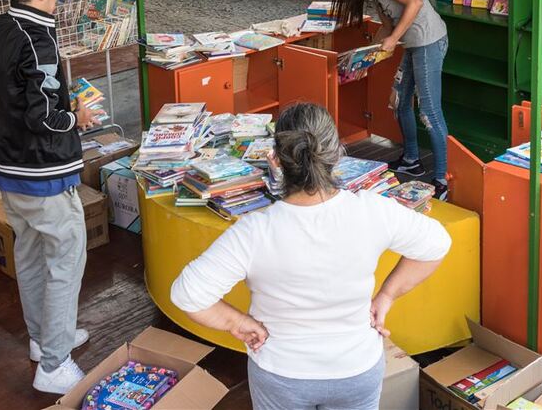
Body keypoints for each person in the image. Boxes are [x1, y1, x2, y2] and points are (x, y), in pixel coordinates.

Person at [170, 102, 451, 410]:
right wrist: (386, 297)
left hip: (281, 373)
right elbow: (436, 244)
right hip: (356, 369)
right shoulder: (372, 210)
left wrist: (237, 323)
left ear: (275, 161)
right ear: (337, 154)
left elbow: (188, 294)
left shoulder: (254, 232)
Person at [0, 0, 98, 394]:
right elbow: (45, 116)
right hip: (42, 173)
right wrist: (77, 118)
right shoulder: (37, 39)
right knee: (66, 258)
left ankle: (43, 339)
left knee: (27, 254)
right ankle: (53, 364)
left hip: (7, 169)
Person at [329, 0, 450, 198]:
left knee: (429, 112)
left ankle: (443, 179)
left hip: (428, 42)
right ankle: (412, 160)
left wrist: (395, 40)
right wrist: (365, 60)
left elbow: (415, 3)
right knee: (399, 102)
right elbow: (386, 25)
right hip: (413, 43)